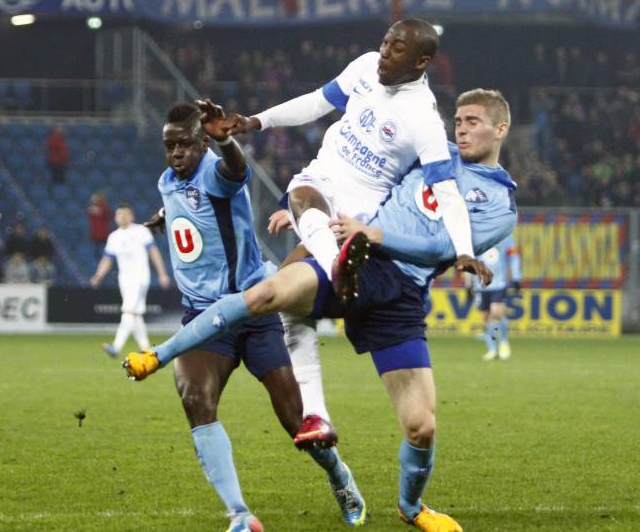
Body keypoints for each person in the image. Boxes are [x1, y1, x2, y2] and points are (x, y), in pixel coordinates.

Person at [126, 89, 518, 532]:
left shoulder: (500, 205)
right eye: (459, 120)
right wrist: (296, 207)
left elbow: (440, 249)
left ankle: (410, 506)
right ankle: (235, 497)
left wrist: (374, 235)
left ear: (501, 129)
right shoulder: (430, 150)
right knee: (268, 296)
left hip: (400, 290)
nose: (461, 129)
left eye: (473, 122)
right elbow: (357, 171)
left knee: (420, 427)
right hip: (353, 258)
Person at [222, 19, 484, 432]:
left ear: (422, 61)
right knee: (300, 201)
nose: (384, 52)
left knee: (288, 298)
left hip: (356, 215)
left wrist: (465, 249)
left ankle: (317, 408)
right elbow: (315, 102)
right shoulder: (364, 67)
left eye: (398, 49)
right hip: (321, 185)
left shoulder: (424, 121)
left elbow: (446, 191)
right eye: (384, 42)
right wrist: (256, 121)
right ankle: (318, 416)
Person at [131, 100, 368, 531]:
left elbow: (235, 173)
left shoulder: (217, 173)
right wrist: (166, 216)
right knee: (195, 399)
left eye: (185, 145)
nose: (176, 154)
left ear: (203, 143)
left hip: (252, 309)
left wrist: (228, 144)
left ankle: (338, 474)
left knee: (296, 421)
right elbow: (188, 207)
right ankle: (239, 515)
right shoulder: (169, 180)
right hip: (204, 319)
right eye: (170, 146)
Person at [90, 203, 171, 357]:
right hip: (124, 279)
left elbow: (153, 252)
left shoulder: (141, 231)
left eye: (126, 214)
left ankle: (116, 347)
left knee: (128, 311)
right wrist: (98, 275)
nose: (122, 216)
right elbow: (107, 259)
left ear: (132, 216)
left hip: (140, 277)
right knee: (136, 314)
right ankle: (147, 350)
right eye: (119, 214)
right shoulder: (114, 236)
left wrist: (162, 274)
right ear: (115, 217)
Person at [467, 234, 522, 361]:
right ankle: (492, 349)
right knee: (486, 317)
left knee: (496, 312)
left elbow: (514, 256)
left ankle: (503, 342)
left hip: (499, 282)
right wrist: (468, 284)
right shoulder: (474, 238)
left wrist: (516, 276)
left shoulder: (506, 237)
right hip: (481, 285)